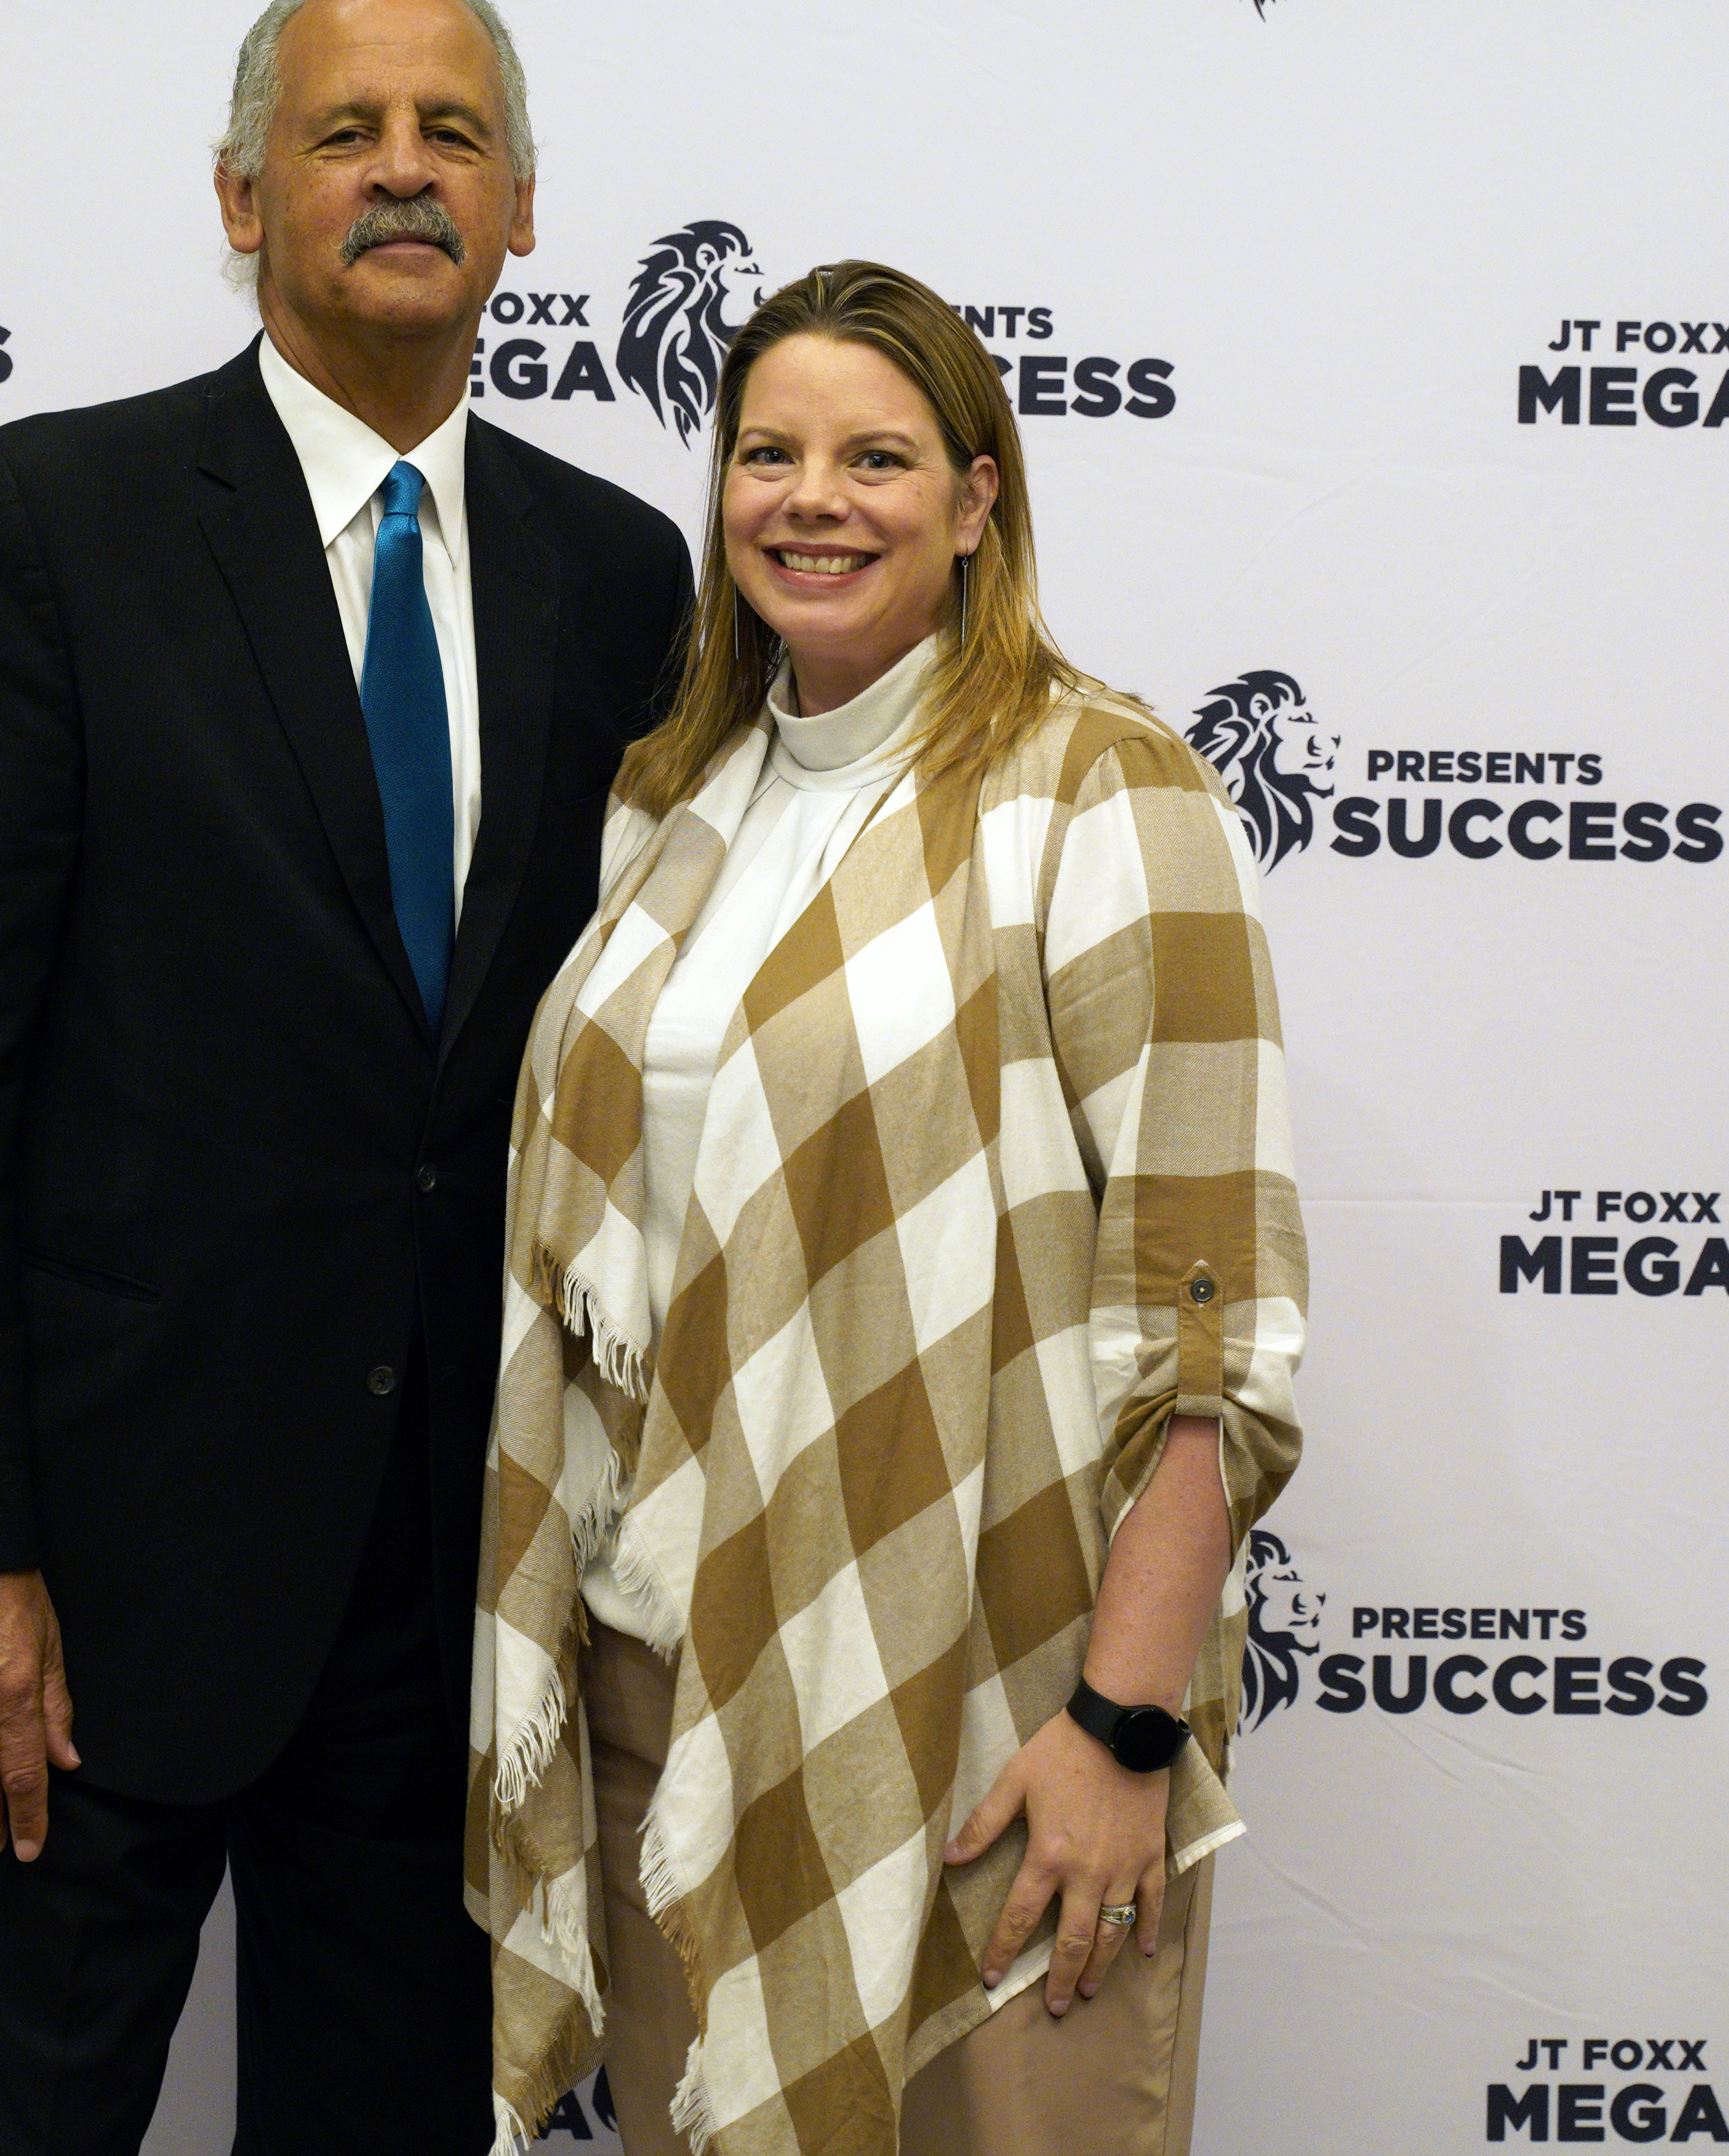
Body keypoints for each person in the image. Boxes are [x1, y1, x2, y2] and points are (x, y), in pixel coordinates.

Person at [0, 0, 688, 2153]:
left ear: (521, 213)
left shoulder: (619, 574)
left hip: (456, 1619)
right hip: (80, 1614)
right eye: (343, 133)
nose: (404, 171)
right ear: (240, 197)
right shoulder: (48, 525)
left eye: (453, 135)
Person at [471, 262, 1307, 2156]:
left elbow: (1211, 1331)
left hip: (1000, 1710)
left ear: (976, 497)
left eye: (875, 458)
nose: (812, 500)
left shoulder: (1102, 790)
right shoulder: (674, 805)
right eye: (768, 454)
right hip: (676, 1713)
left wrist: (1122, 1733)